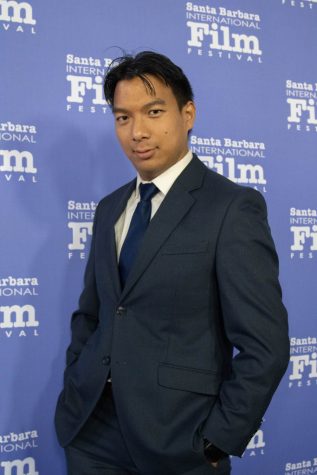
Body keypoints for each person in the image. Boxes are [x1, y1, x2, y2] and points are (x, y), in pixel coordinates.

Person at [55, 51, 290, 475]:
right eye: (122, 118)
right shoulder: (109, 209)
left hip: (180, 441)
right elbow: (94, 313)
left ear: (188, 114)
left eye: (154, 112)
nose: (137, 131)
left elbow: (265, 345)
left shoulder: (232, 208)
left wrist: (217, 440)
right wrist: (76, 379)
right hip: (91, 433)